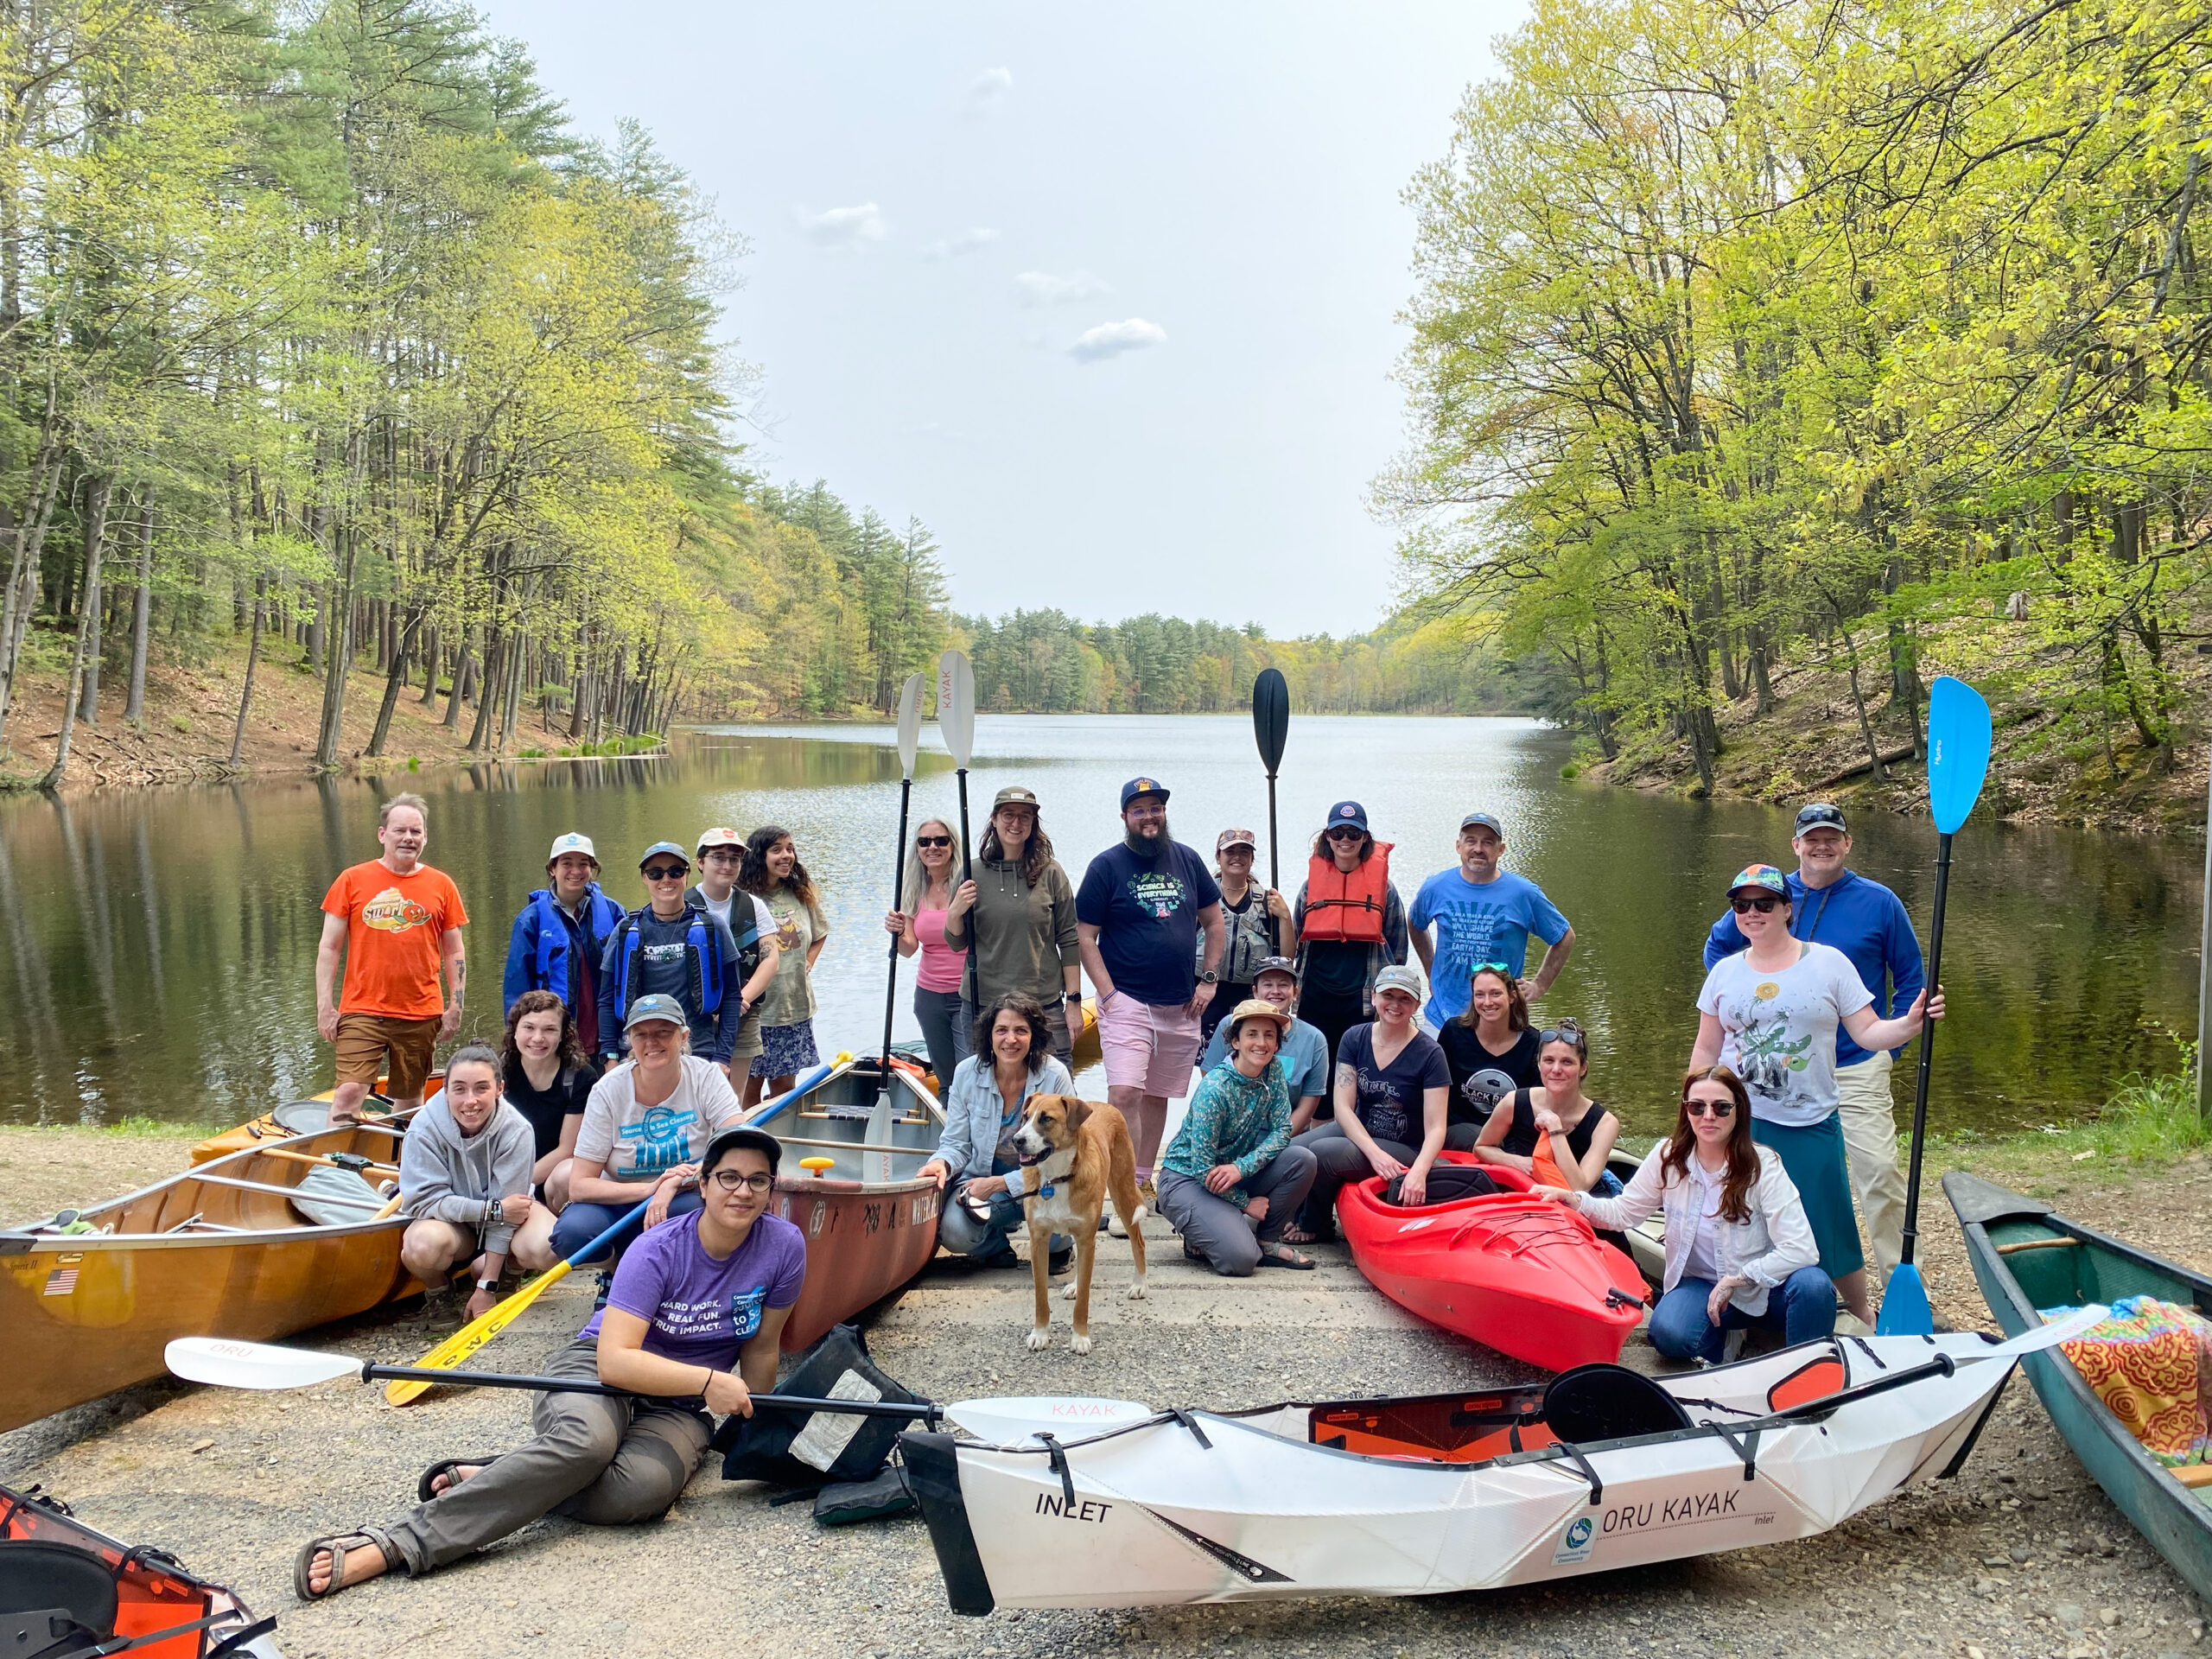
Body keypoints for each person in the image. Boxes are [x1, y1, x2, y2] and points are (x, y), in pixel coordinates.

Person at [294, 1123, 804, 1599]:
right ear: (705, 1182)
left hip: (678, 1404)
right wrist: (710, 1380)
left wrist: (757, 1427)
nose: (743, 1191)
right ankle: (400, 1543)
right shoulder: (656, 1249)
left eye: (758, 1180)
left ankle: (506, 1473)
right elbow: (615, 1363)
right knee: (586, 1444)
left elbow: (761, 1345)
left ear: (771, 1187)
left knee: (640, 1493)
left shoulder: (784, 1245)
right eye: (730, 1177)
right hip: (599, 1368)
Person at [1689, 864, 1942, 1329]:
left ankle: (1862, 1313)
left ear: (1788, 910)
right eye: (1742, 905)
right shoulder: (1724, 972)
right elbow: (1707, 1047)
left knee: (1827, 1220)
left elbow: (1867, 1031)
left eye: (1764, 903)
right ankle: (1748, 1311)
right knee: (1744, 1216)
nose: (1752, 913)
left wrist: (1909, 1024)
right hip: (1743, 1122)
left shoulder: (1828, 963)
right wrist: (1696, 1104)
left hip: (1809, 1121)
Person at [1540, 1065, 1837, 1362]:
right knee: (1669, 1334)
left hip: (1762, 1288)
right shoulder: (1668, 1157)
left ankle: (1806, 1371)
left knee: (1814, 1286)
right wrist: (1574, 1200)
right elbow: (1623, 1212)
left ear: (1738, 1111)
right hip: (1700, 1285)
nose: (1708, 1116)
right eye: (1697, 1107)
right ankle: (1723, 1355)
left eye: (1721, 1108)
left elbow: (1802, 1249)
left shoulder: (1764, 1165)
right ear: (1686, 1111)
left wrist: (1739, 1278)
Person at [1076, 777, 1225, 1198]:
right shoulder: (1106, 866)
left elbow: (1215, 924)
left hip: (1181, 1005)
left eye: (1155, 808)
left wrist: (1209, 981)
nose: (1149, 816)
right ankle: (1120, 1188)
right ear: (1125, 817)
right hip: (1127, 1000)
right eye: (1139, 810)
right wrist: (1107, 995)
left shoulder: (1188, 860)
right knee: (1124, 1093)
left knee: (1157, 1096)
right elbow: (1084, 936)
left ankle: (1141, 1178)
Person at [550, 995, 748, 1267]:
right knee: (571, 1233)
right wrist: (650, 1189)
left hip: (685, 1194)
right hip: (623, 1195)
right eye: (641, 1034)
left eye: (663, 1033)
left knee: (703, 1213)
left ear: (684, 1036)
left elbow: (739, 1146)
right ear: (630, 1041)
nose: (651, 1042)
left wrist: (674, 1183)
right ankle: (616, 1271)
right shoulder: (608, 1090)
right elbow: (580, 1186)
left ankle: (678, 1276)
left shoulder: (706, 1076)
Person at [314, 792, 468, 1128]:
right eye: (400, 831)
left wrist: (455, 1006)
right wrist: (325, 1006)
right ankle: (333, 1172)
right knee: (348, 1093)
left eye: (416, 832)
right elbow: (329, 948)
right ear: (382, 835)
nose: (408, 838)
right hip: (362, 1008)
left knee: (410, 1100)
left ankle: (402, 1172)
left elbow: (454, 951)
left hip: (420, 1011)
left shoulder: (442, 885)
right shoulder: (352, 880)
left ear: (425, 837)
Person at [1286, 963, 1449, 1240]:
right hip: (1363, 1130)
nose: (1395, 1005)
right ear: (1373, 997)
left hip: (1405, 1145)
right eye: (1389, 996)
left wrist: (1419, 1171)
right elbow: (1342, 1107)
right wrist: (1373, 1152)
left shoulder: (1431, 1053)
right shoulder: (1355, 1037)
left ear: (1417, 1005)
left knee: (1324, 1152)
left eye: (1405, 999)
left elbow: (1436, 1127)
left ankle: (1317, 1224)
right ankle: (1289, 1212)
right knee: (1291, 1149)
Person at [917, 993, 1078, 1273]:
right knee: (955, 1231)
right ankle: (995, 1247)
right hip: (981, 1181)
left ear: (1034, 1036)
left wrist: (999, 1184)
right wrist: (940, 1163)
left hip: (1048, 1184)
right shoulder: (967, 1073)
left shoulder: (1055, 1075)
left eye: (1021, 1031)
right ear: (989, 1036)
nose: (1011, 1039)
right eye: (1001, 1030)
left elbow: (1069, 1154)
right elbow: (956, 1143)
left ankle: (1061, 1248)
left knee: (1055, 1237)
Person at [1155, 1000, 1318, 1274]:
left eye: (1269, 1035)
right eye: (1252, 1034)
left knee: (1303, 1159)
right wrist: (1246, 1203)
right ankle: (1198, 1230)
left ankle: (1266, 1241)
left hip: (1231, 1171)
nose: (1261, 1043)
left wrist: (1240, 1167)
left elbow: (1282, 1131)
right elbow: (1203, 1168)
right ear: (1236, 1041)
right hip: (1187, 1178)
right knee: (1241, 1260)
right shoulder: (1215, 1088)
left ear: (1278, 1043)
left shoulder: (1274, 1069)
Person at [395, 1043, 535, 1330]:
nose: (469, 1101)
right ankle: (439, 1291)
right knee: (421, 1245)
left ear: (499, 1089)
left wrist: (487, 1287)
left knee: (546, 1244)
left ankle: (504, 1273)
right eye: (459, 1089)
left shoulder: (517, 1130)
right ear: (445, 1091)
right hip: (452, 1228)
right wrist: (492, 1210)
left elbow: (511, 1215)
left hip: (503, 1222)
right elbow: (422, 1203)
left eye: (481, 1088)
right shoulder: (423, 1128)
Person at [941, 785, 1084, 1064]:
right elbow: (957, 942)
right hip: (984, 1003)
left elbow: (1068, 940)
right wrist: (954, 912)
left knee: (1057, 1090)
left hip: (1043, 1002)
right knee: (984, 1089)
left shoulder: (1051, 873)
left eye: (1024, 817)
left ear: (1033, 823)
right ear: (994, 820)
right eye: (1008, 815)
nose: (1016, 824)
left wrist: (1074, 1003)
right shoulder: (972, 873)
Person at [1408, 812, 1574, 1031]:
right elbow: (1415, 923)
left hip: (1502, 1022)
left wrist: (1540, 986)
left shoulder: (1523, 893)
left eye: (1487, 842)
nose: (1478, 849)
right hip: (1442, 1018)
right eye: (1471, 841)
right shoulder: (1436, 887)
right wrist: (1430, 971)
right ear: (1458, 846)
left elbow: (1564, 937)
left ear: (1500, 850)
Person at [596, 842, 752, 1071]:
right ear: (644, 878)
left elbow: (731, 997)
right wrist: (609, 1055)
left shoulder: (713, 927)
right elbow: (607, 998)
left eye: (675, 871)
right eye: (655, 873)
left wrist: (723, 1058)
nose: (666, 879)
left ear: (687, 875)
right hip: (638, 1051)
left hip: (699, 1051)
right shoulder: (625, 929)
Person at [1290, 800, 1408, 1078]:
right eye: (1338, 833)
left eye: (1354, 833)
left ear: (1365, 838)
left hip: (1362, 1001)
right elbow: (1295, 938)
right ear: (1327, 837)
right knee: (1317, 1076)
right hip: (1315, 997)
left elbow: (1398, 949)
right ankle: (1318, 1122)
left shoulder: (1385, 890)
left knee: (1356, 1075)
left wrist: (1389, 995)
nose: (1345, 840)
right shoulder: (1310, 887)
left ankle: (1351, 1122)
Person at [500, 831, 624, 1058]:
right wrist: (517, 1039)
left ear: (592, 869)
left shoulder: (614, 912)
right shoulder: (531, 920)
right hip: (556, 1036)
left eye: (583, 864)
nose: (576, 871)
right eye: (567, 863)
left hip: (605, 1034)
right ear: (552, 869)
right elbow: (516, 986)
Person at [499, 990, 597, 1274]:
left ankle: (562, 1235)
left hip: (550, 1178)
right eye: (529, 1028)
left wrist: (519, 1184)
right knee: (479, 1268)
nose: (537, 1039)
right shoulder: (500, 1070)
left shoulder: (580, 1077)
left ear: (563, 1035)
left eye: (549, 1030)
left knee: (567, 1172)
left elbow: (567, 1149)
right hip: (505, 1173)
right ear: (515, 1030)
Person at [1466, 1018, 1620, 1192]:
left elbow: (1579, 1188)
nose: (1556, 1069)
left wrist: (1555, 1129)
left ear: (1583, 1068)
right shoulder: (1513, 1101)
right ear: (1539, 1064)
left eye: (1567, 1062)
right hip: (1528, 1197)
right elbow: (1481, 1147)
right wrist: (1518, 1162)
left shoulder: (1605, 1123)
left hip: (1576, 1208)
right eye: (1549, 1060)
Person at [738, 825, 830, 1106]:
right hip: (755, 1012)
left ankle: (777, 1146)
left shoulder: (800, 893)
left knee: (784, 1092)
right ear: (759, 856)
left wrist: (809, 961)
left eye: (789, 849)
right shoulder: (742, 899)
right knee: (747, 1093)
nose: (786, 855)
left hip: (793, 1010)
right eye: (777, 850)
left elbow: (821, 933)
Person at [1195, 957, 1332, 1133]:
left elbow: (1308, 1107)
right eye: (1267, 985)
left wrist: (1273, 1145)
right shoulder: (1232, 1024)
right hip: (1230, 1132)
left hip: (1286, 1135)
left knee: (1313, 1153)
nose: (1276, 991)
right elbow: (1209, 1076)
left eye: (1283, 985)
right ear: (1255, 992)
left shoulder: (1314, 1039)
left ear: (1295, 992)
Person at [884, 816, 972, 1088]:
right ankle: (948, 1125)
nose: (932, 847)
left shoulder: (968, 886)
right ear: (918, 849)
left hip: (968, 993)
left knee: (968, 1073)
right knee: (946, 1079)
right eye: (925, 842)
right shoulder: (913, 890)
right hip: (929, 996)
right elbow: (909, 949)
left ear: (953, 845)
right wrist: (897, 932)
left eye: (940, 841)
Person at [689, 827, 783, 1080]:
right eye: (718, 857)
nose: (727, 865)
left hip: (744, 1012)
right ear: (700, 862)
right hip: (693, 1017)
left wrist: (737, 1003)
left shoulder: (753, 905)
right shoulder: (682, 905)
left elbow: (770, 960)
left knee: (734, 1098)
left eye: (734, 859)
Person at [1436, 963, 1543, 1149]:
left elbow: (1537, 1104)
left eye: (1495, 993)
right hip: (1461, 1132)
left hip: (1512, 1136)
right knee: (1481, 1140)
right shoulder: (1453, 1033)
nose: (1487, 1002)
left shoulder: (1534, 1042)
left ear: (1512, 996)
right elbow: (1435, 1087)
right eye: (1479, 995)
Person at [1203, 829, 1291, 1041]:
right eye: (1230, 851)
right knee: (1205, 1061)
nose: (1237, 857)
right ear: (1218, 857)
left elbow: (1286, 959)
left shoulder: (1267, 901)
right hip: (1205, 993)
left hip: (1249, 997)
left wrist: (1285, 917)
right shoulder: (1203, 896)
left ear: (1252, 859)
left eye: (1244, 852)